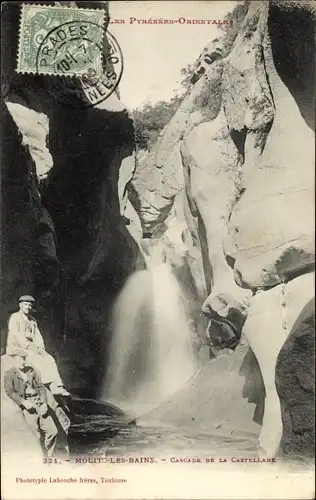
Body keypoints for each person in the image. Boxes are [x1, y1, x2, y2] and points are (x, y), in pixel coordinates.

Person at [6, 295, 69, 396]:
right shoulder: (15, 317)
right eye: (25, 304)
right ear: (20, 305)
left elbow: (38, 336)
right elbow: (15, 335)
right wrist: (28, 346)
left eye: (30, 305)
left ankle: (57, 385)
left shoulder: (32, 320)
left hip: (31, 347)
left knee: (49, 358)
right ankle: (49, 383)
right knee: (35, 358)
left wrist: (40, 347)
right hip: (17, 346)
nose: (28, 307)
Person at [4, 347, 58, 457]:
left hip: (39, 402)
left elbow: (41, 387)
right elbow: (9, 391)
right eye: (19, 359)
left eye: (24, 359)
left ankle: (47, 456)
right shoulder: (9, 373)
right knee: (35, 435)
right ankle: (39, 459)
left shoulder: (31, 371)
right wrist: (23, 402)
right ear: (14, 360)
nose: (22, 362)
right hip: (28, 406)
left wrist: (43, 403)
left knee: (53, 431)